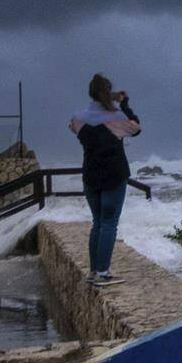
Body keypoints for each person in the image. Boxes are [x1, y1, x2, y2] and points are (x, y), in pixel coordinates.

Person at [69, 74, 141, 286]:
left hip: (90, 176)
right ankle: (103, 272)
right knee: (109, 224)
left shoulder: (78, 118)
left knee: (98, 223)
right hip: (114, 175)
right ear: (107, 93)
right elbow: (136, 128)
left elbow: (71, 127)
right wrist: (124, 104)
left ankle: (93, 272)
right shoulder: (116, 118)